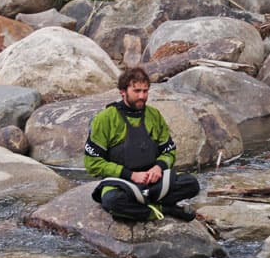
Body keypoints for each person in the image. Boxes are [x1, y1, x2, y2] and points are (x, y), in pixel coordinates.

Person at [84, 66, 200, 222]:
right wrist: (131, 175)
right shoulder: (105, 119)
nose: (142, 96)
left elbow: (169, 151)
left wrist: (159, 167)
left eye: (145, 91)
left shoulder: (154, 115)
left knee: (191, 184)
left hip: (153, 182)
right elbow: (92, 163)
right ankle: (163, 209)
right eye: (137, 91)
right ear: (123, 91)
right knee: (111, 201)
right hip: (121, 183)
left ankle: (141, 207)